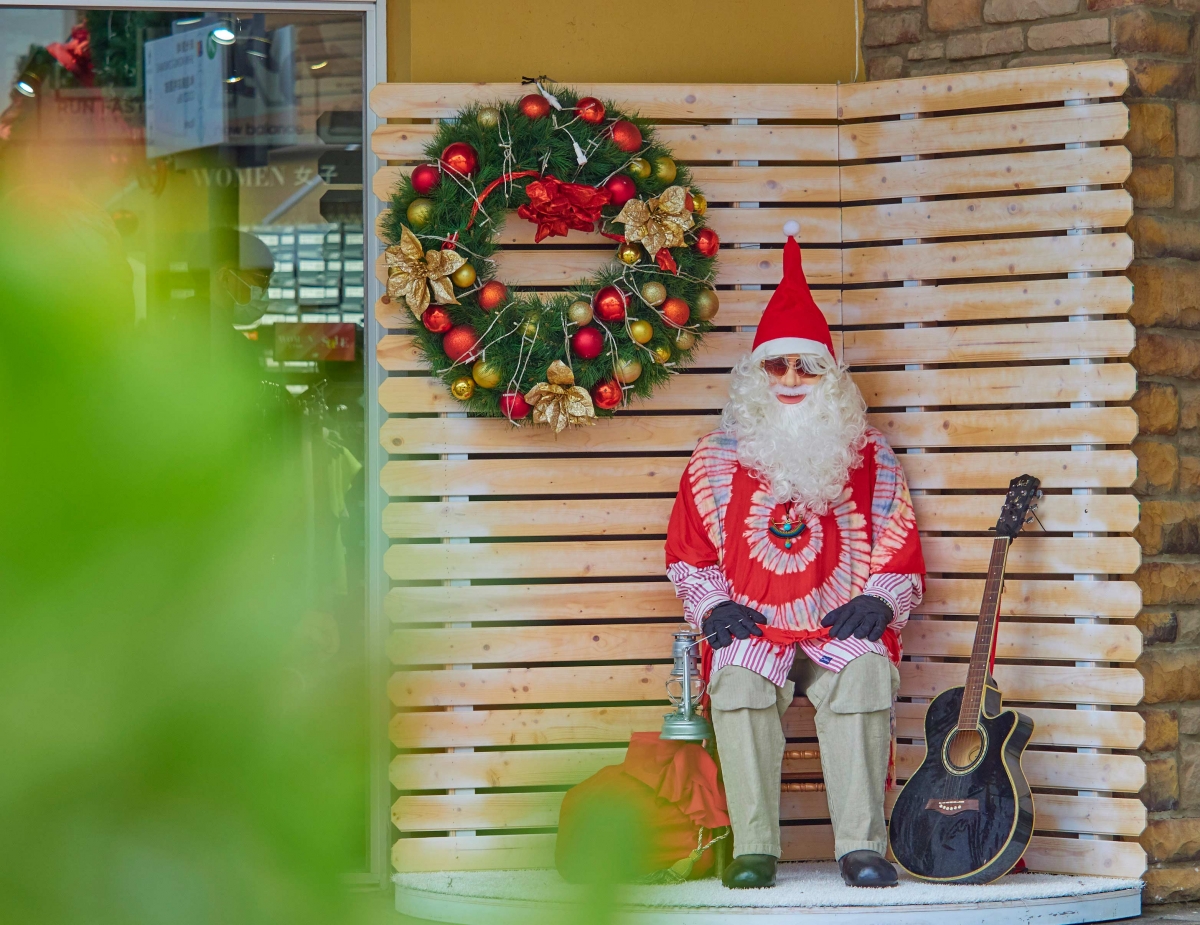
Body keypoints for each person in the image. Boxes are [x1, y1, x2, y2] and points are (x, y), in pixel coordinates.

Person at [665, 228, 926, 890]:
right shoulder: (714, 457)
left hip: (840, 621)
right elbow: (690, 553)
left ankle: (863, 847)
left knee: (866, 671)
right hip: (753, 621)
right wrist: (713, 605)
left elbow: (900, 542)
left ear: (829, 378)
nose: (789, 379)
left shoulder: (869, 454)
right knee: (740, 680)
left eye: (805, 367)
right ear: (756, 374)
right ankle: (754, 848)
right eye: (777, 365)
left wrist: (882, 600)